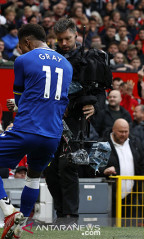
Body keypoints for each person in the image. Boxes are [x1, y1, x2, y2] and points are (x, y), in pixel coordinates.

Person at [0, 23, 72, 239]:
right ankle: (22, 227)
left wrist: (21, 104)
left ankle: (9, 212)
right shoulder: (67, 64)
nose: (20, 50)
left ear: (27, 42)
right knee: (33, 177)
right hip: (53, 134)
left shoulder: (23, 60)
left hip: (27, 128)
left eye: (20, 46)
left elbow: (19, 101)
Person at [44, 18, 99, 225]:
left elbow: (101, 88)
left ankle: (71, 216)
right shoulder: (50, 58)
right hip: (51, 118)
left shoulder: (90, 57)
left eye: (67, 38)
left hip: (76, 119)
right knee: (49, 166)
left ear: (76, 35)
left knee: (68, 165)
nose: (64, 43)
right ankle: (60, 213)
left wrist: (96, 106)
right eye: (60, 39)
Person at [98, 119, 144, 226]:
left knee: (129, 229)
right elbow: (92, 167)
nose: (124, 134)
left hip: (131, 196)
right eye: (120, 132)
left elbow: (141, 163)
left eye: (126, 131)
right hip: (109, 197)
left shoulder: (135, 142)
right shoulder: (103, 143)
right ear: (113, 130)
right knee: (110, 229)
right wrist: (104, 170)